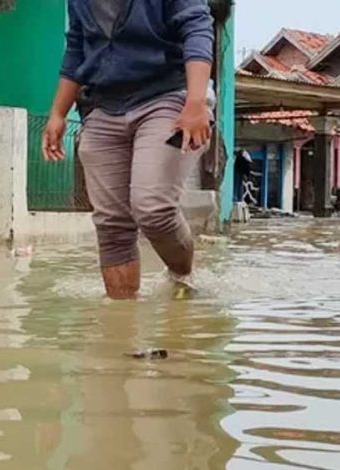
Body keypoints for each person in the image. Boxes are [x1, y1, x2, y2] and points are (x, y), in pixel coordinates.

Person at [42, 0, 215, 300]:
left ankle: (182, 277)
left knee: (153, 208)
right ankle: (121, 326)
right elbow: (76, 49)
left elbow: (198, 28)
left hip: (168, 95)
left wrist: (197, 102)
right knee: (111, 224)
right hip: (103, 104)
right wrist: (58, 113)